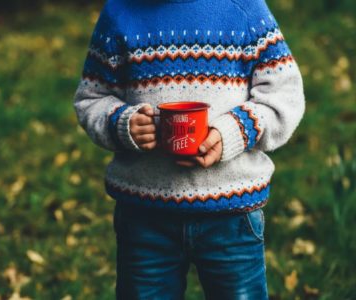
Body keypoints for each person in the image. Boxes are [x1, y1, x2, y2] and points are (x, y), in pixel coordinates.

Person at [73, 0, 305, 298]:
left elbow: (284, 94)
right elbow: (91, 97)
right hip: (145, 216)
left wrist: (234, 131)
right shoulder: (120, 12)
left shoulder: (245, 9)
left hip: (232, 214)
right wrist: (122, 124)